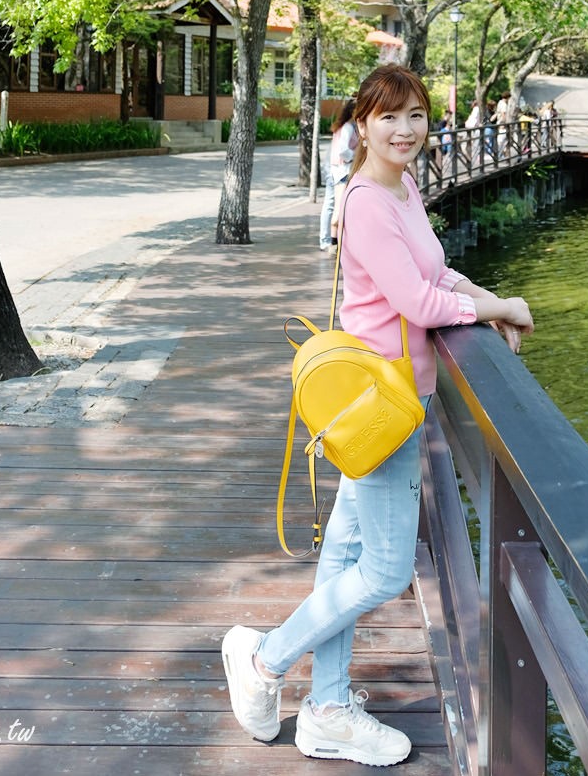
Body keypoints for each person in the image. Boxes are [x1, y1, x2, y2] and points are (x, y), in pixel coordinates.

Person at [222, 64, 534, 766]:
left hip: (394, 395)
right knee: (387, 570)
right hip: (381, 406)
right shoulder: (365, 201)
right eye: (389, 116)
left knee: (344, 558)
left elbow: (434, 274)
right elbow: (421, 307)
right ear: (360, 123)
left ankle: (327, 708)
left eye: (416, 115)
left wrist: (492, 297)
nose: (405, 129)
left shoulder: (404, 185)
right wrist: (495, 309)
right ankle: (266, 661)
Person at [320, 99, 358, 251]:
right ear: (353, 111)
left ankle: (325, 240)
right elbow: (343, 150)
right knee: (337, 208)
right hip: (342, 171)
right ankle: (333, 243)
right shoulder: (348, 127)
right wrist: (356, 155)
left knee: (329, 205)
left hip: (333, 169)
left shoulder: (341, 126)